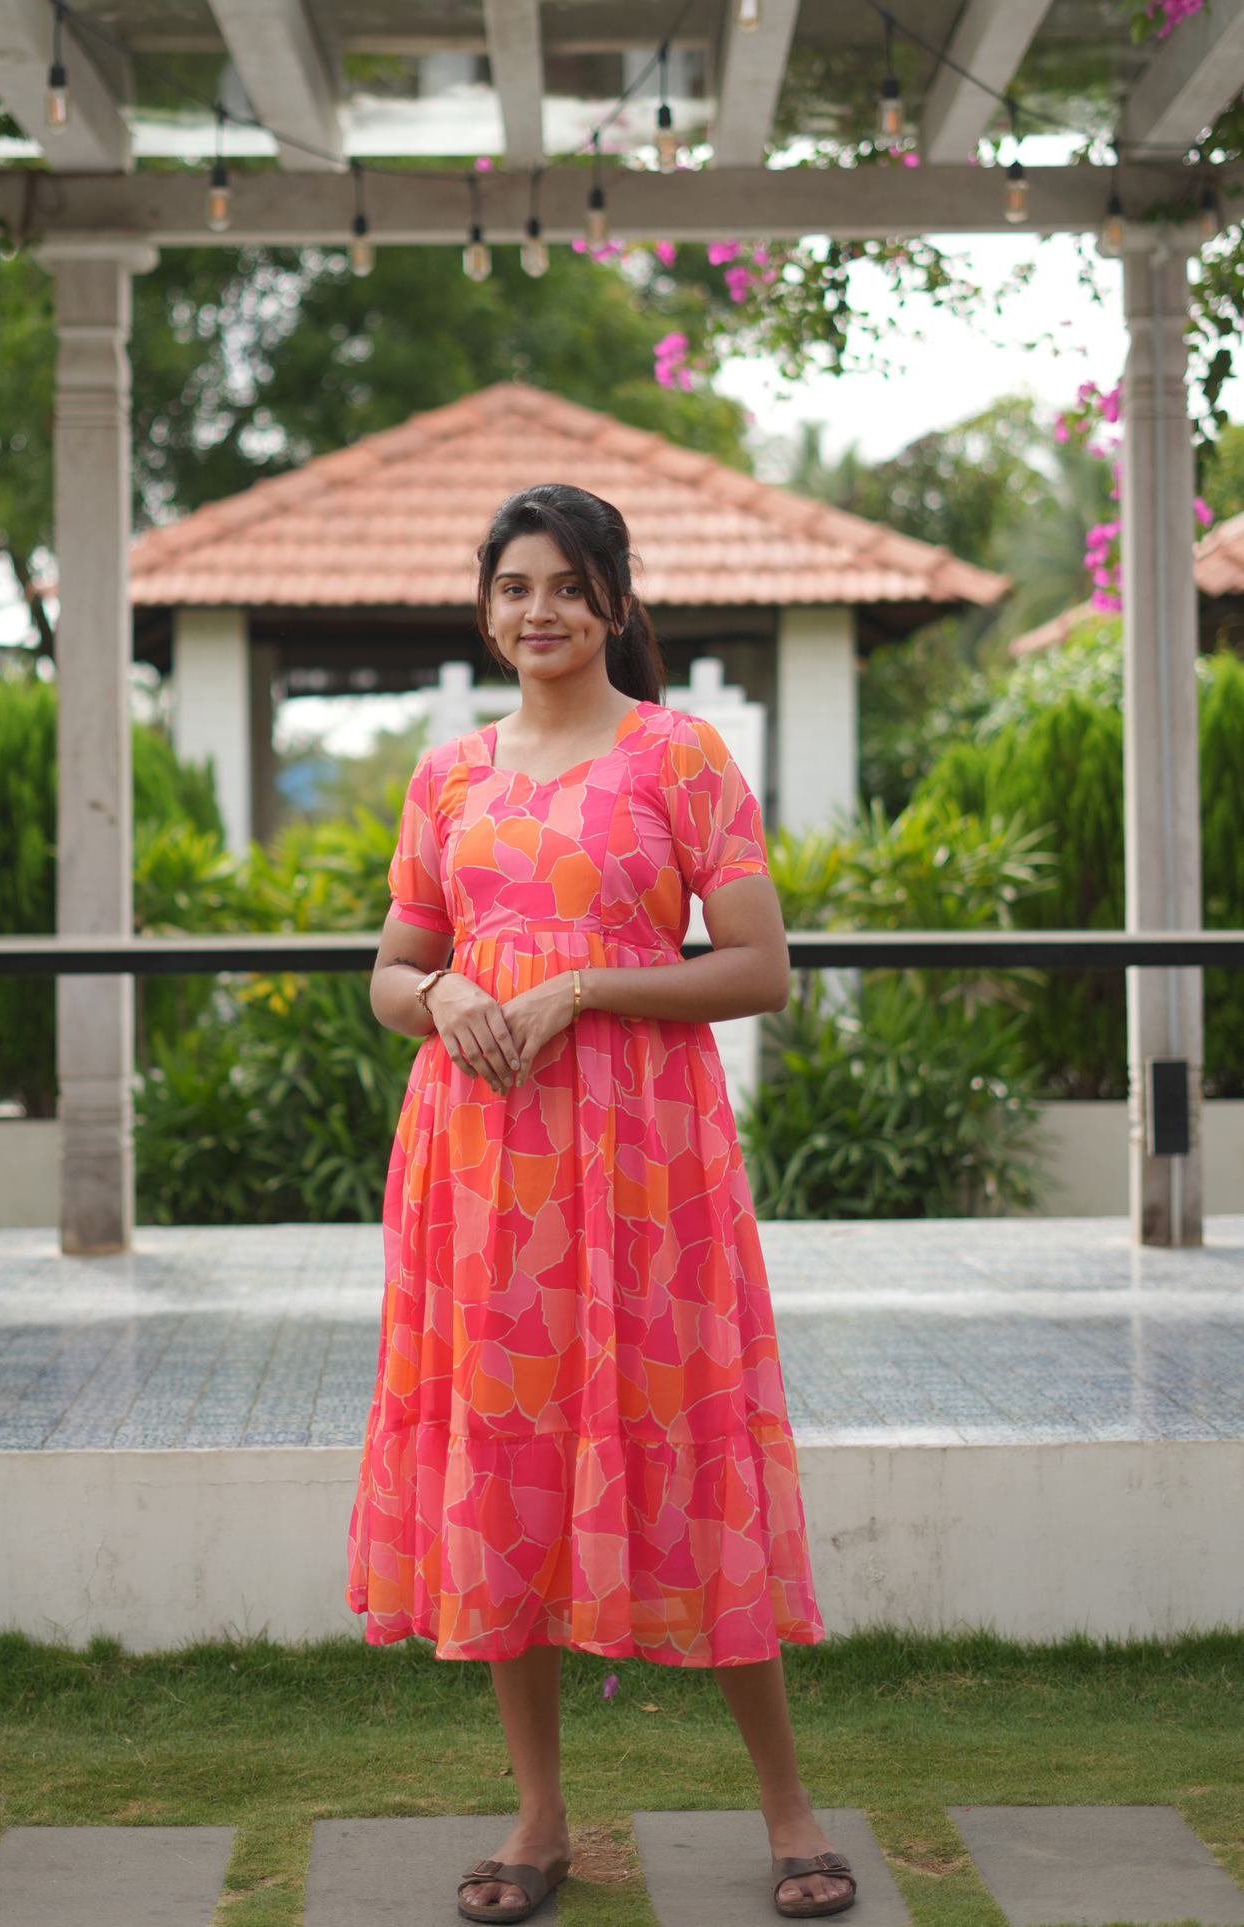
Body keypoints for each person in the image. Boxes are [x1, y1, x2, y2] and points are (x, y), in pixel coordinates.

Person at [347, 483, 854, 1924]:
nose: (542, 611)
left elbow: (759, 968)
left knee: (690, 1439)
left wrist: (579, 983)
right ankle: (539, 1819)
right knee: (507, 1457)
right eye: (516, 586)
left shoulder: (679, 756)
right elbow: (389, 970)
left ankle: (791, 1810)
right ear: (486, 608)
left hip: (644, 1163)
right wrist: (442, 994)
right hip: (484, 1162)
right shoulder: (448, 776)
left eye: (570, 585)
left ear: (615, 603)